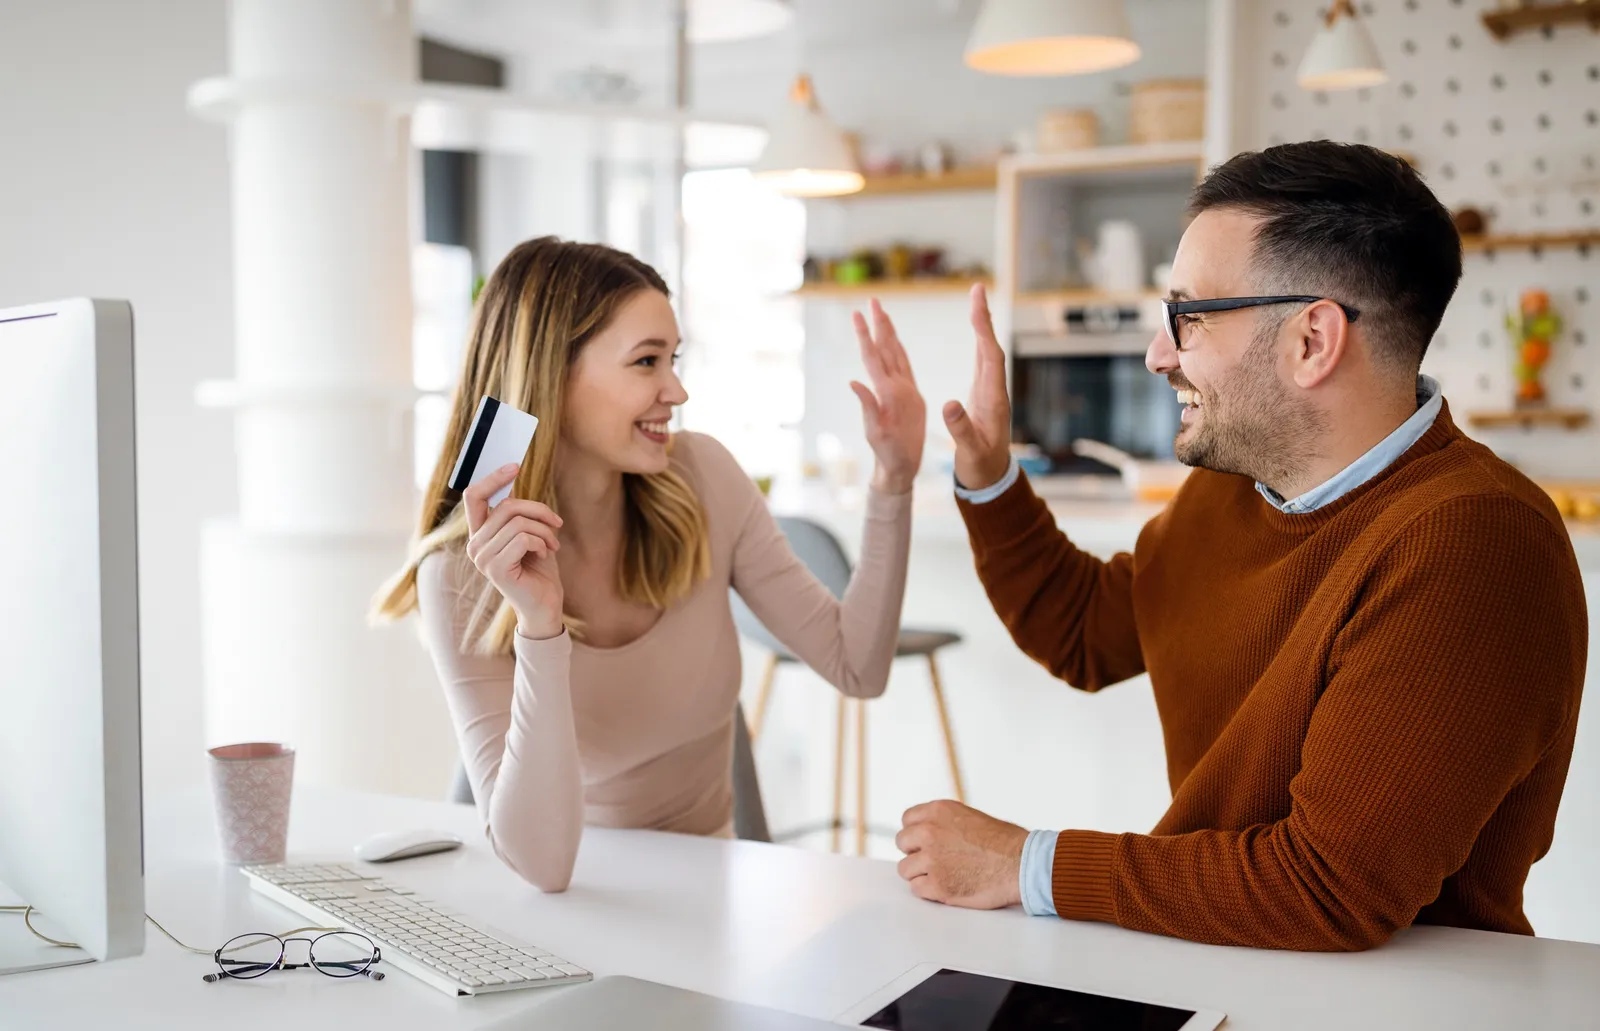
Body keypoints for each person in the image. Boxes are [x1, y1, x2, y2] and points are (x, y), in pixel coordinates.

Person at [894, 141, 1587, 951]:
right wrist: (989, 475)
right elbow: (1084, 632)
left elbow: (1328, 888)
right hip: (1231, 967)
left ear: (1311, 341)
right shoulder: (1237, 485)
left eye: (1187, 318)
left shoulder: (1475, 543)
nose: (1160, 353)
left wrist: (1023, 864)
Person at [374, 237, 927, 892]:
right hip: (576, 898)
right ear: (553, 374)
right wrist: (540, 625)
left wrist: (893, 478)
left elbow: (856, 666)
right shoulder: (462, 574)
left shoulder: (705, 480)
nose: (677, 389)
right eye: (646, 361)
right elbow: (543, 868)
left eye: (673, 358)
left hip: (707, 888)